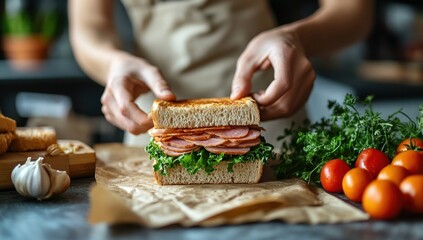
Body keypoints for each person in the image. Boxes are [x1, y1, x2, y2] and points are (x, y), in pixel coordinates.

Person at [69, 0, 373, 147]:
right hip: (152, 125)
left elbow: (353, 10)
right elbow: (89, 26)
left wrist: (299, 39)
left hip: (268, 113)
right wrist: (112, 64)